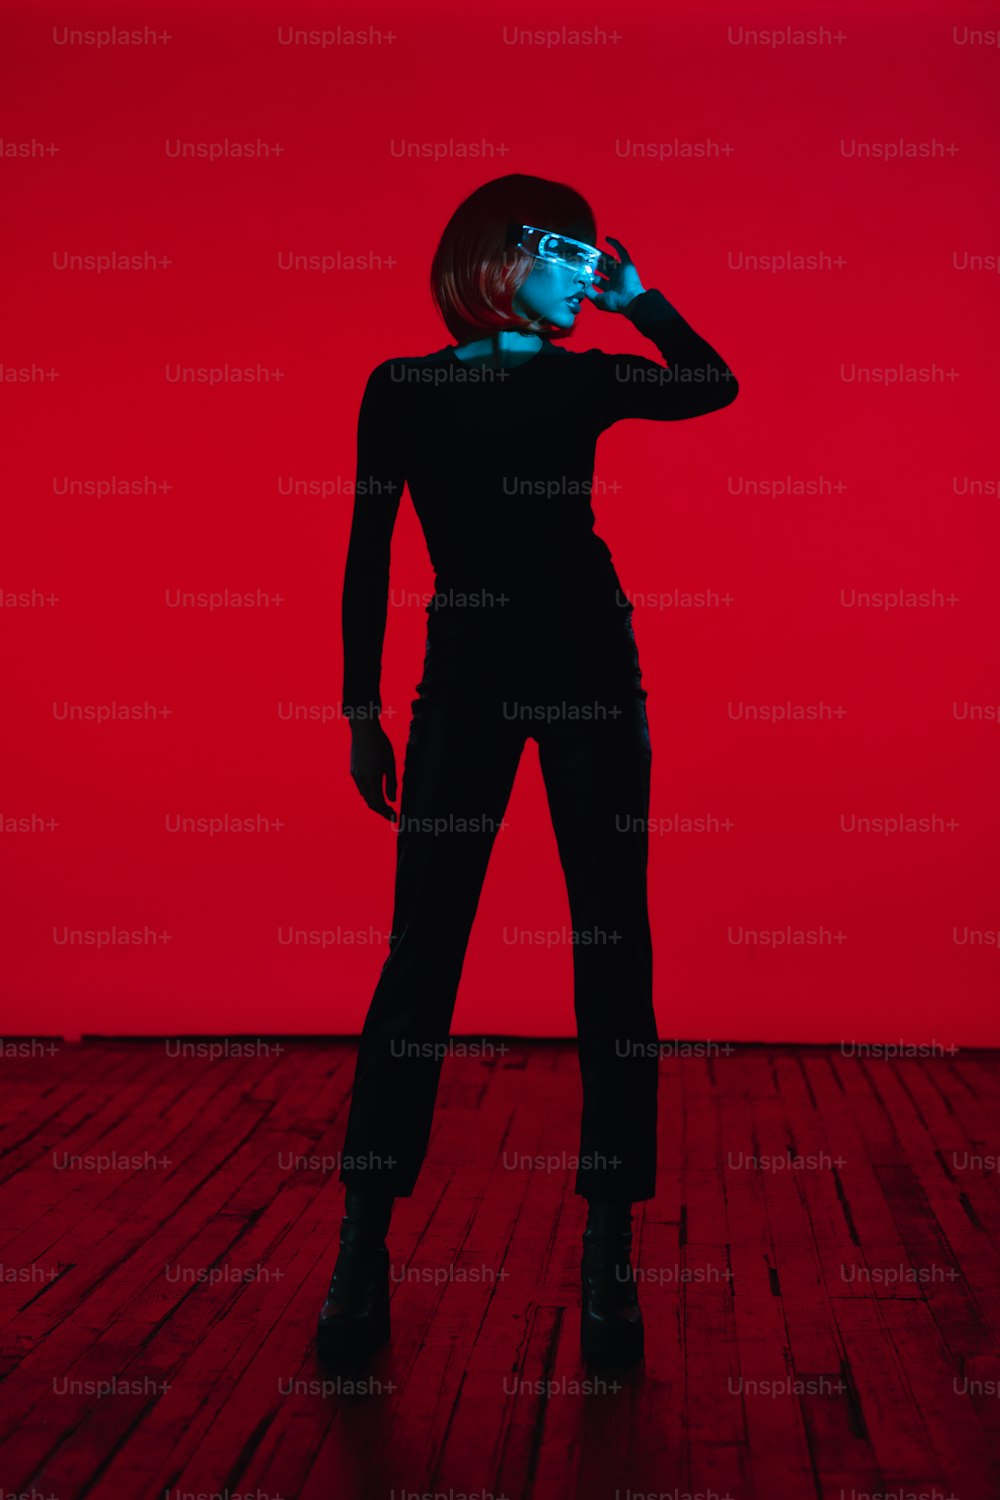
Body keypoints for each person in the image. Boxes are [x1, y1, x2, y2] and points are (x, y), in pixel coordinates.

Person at [317, 174, 738, 1368]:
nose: (577, 266)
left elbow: (714, 386)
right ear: (490, 258)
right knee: (422, 953)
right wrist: (359, 706)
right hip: (466, 668)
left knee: (612, 942)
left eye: (585, 251)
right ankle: (362, 1247)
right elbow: (366, 547)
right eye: (556, 248)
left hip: (591, 664)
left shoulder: (587, 377)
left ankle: (610, 1251)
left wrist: (641, 300)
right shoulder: (401, 389)